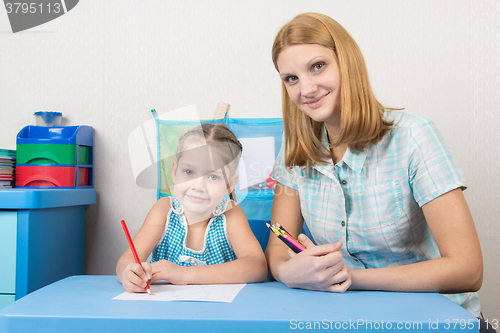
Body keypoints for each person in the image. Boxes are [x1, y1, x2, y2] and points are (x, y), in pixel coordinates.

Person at [265, 12, 493, 331]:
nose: (307, 88)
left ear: (347, 62)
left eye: (317, 66)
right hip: (349, 320)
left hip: (439, 320)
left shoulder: (414, 137)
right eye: (291, 78)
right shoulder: (295, 153)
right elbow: (279, 243)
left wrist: (351, 278)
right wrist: (287, 272)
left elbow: (468, 270)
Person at [117, 123, 268, 292]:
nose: (198, 186)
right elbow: (128, 258)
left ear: (229, 185)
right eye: (188, 172)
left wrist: (185, 274)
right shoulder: (164, 210)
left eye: (213, 176)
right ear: (175, 172)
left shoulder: (230, 213)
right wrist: (128, 273)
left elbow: (257, 267)